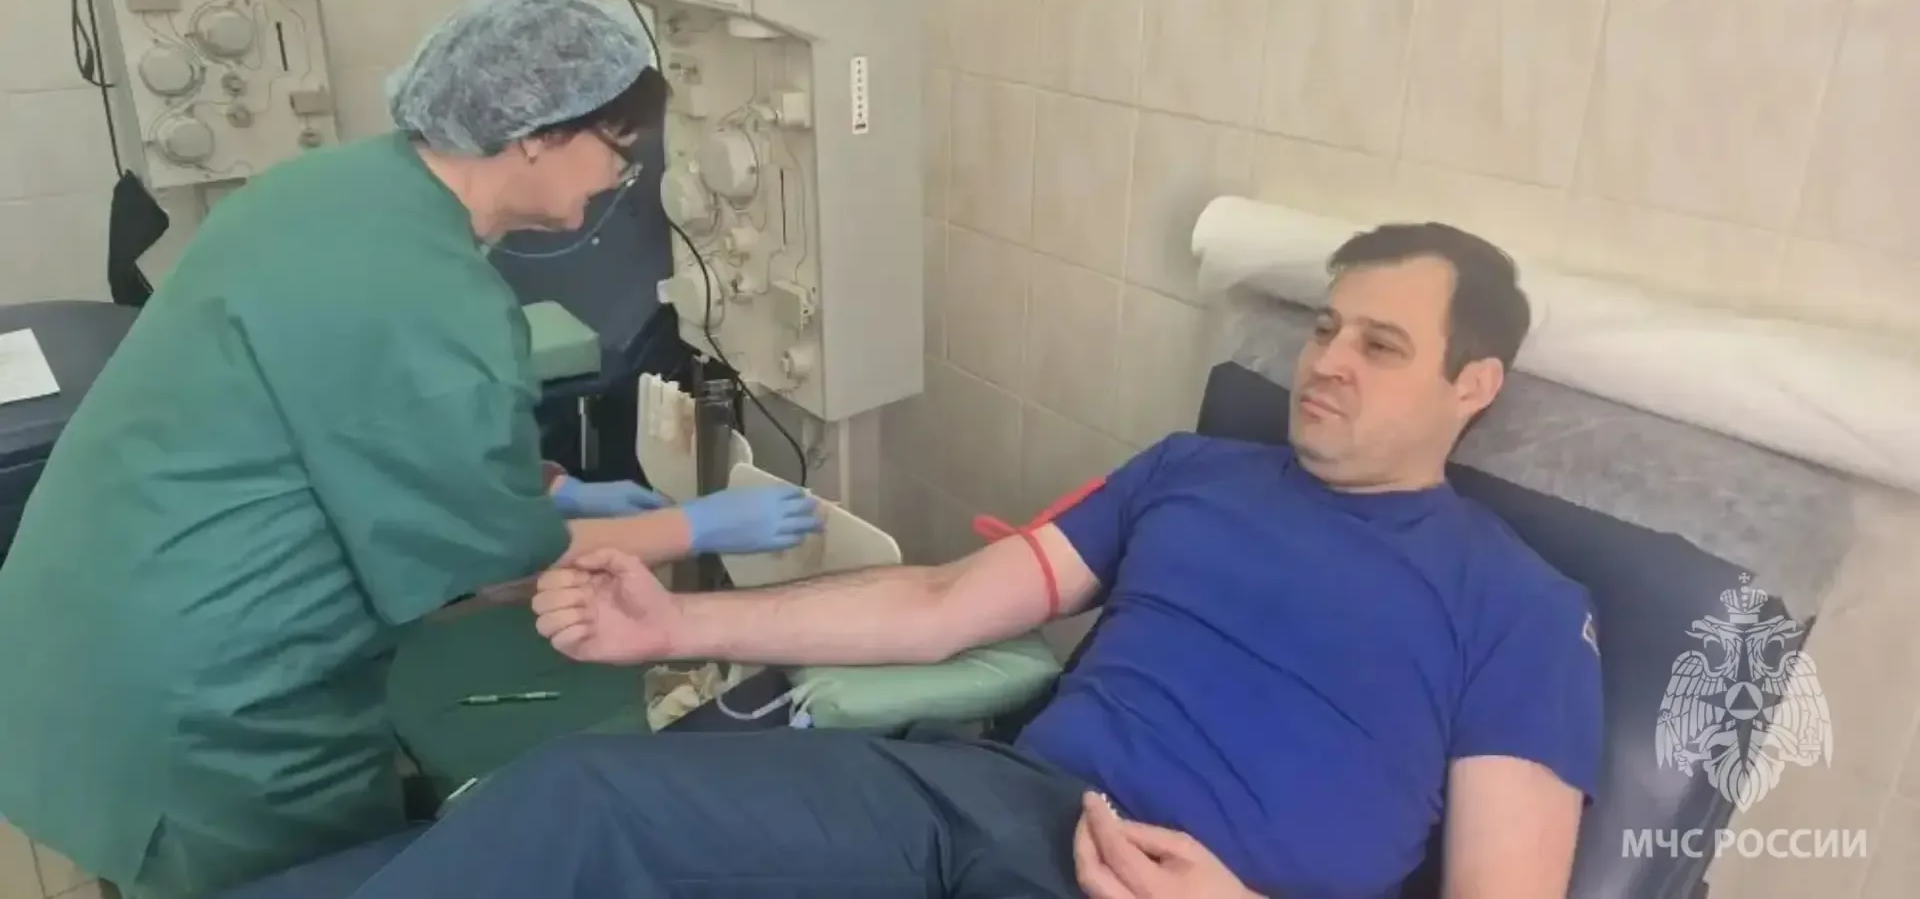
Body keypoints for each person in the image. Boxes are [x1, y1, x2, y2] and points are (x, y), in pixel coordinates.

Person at [292, 221, 1604, 899]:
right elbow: (939, 604)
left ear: (1473, 384)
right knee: (587, 801)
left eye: (1380, 345)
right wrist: (670, 627)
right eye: (1325, 328)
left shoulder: (1521, 612)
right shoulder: (1193, 474)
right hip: (989, 808)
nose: (1327, 362)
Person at [0, 0, 823, 899]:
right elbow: (492, 566)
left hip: (73, 618)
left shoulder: (327, 189)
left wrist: (551, 485)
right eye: (618, 154)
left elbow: (348, 412)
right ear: (537, 133)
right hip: (209, 704)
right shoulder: (442, 305)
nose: (616, 182)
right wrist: (694, 526)